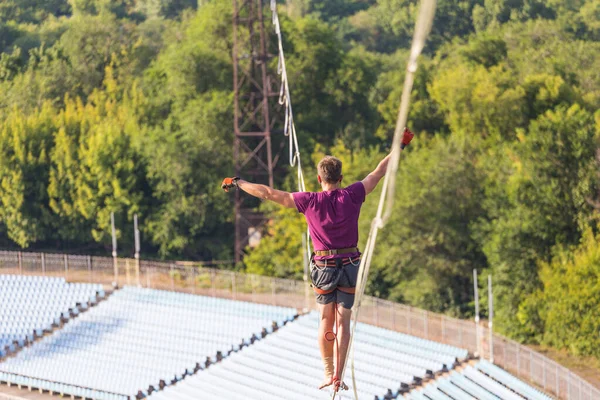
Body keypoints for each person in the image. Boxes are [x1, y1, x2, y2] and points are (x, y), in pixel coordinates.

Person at [221, 127, 414, 391]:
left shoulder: (309, 201)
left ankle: (328, 372)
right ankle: (339, 375)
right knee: (343, 320)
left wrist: (239, 182)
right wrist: (400, 146)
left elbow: (268, 193)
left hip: (324, 267)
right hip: (349, 265)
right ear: (341, 177)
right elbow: (379, 171)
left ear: (319, 178)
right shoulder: (353, 194)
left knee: (326, 319)